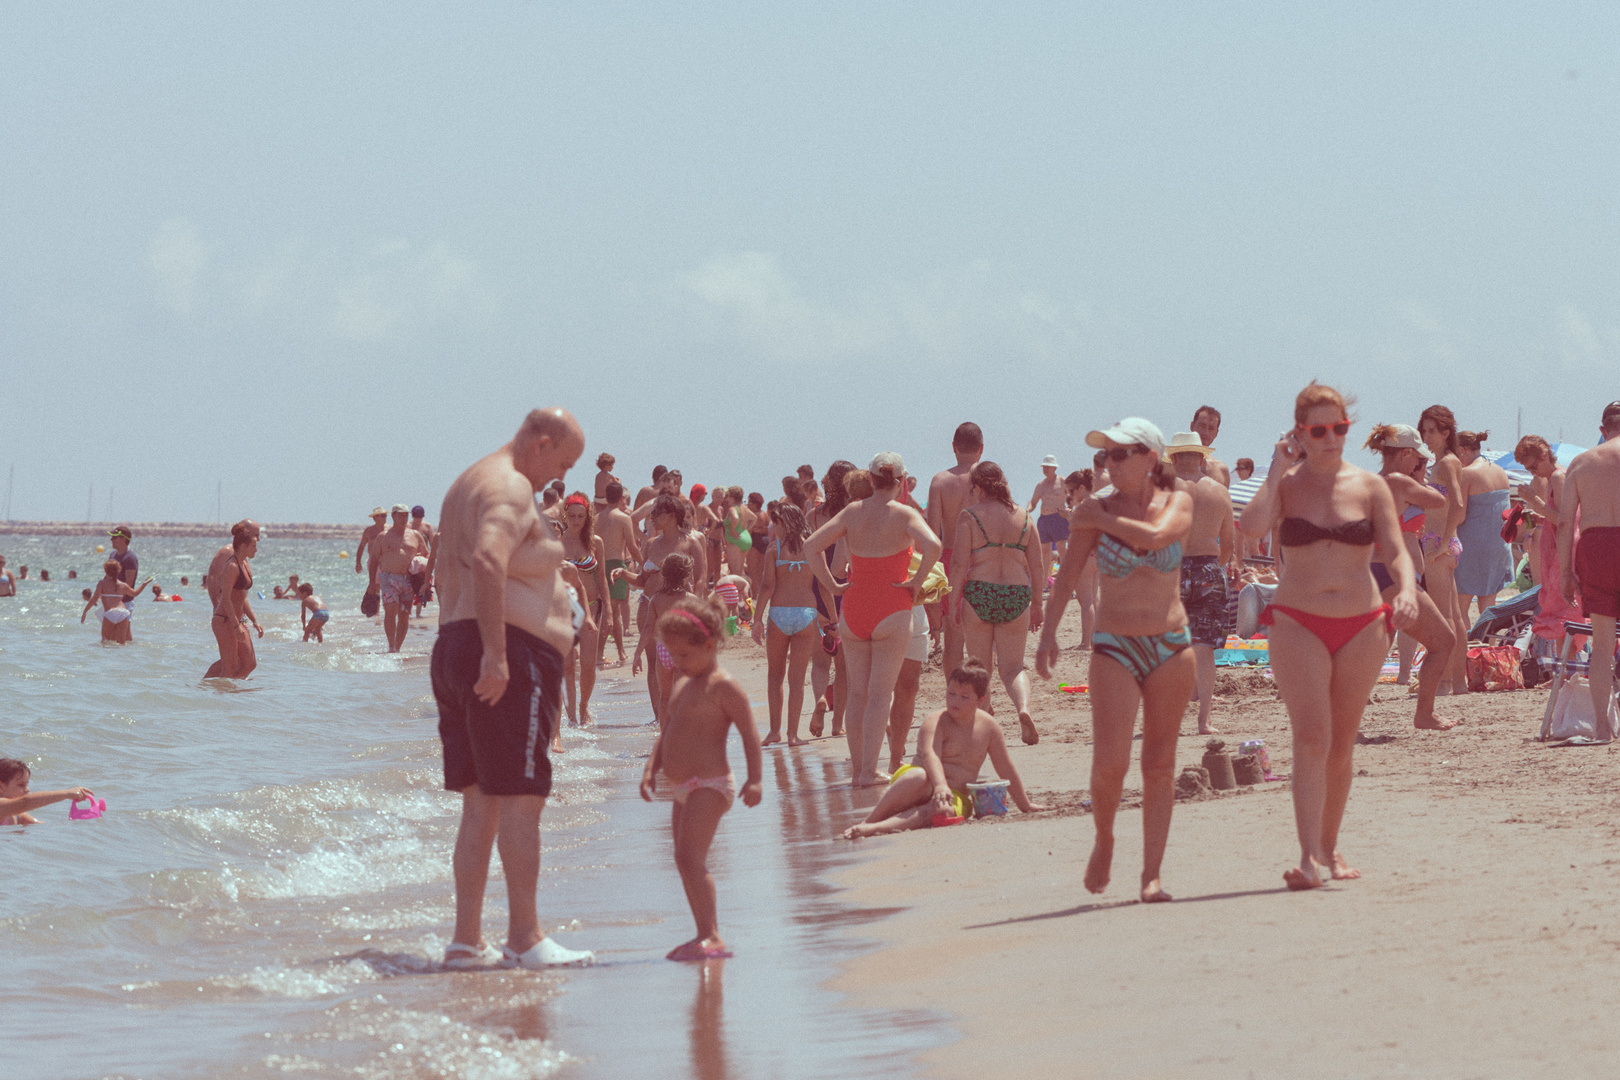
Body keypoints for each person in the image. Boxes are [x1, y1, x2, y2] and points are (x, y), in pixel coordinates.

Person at [431, 407, 594, 971]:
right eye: (563, 463)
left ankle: (465, 941)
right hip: (501, 654)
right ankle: (525, 937)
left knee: (481, 803)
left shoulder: (467, 483)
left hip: (453, 644)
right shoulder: (511, 485)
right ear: (540, 443)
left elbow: (461, 559)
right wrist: (499, 655)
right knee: (523, 801)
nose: (559, 478)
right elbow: (485, 559)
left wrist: (547, 556)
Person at [1241, 384, 1418, 890]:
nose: (1331, 438)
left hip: (1364, 622)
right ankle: (1307, 858)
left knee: (1342, 743)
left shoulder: (1370, 486)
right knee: (1311, 735)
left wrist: (1405, 589)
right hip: (1297, 619)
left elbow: (1398, 550)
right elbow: (1250, 526)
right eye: (1318, 431)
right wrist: (1277, 470)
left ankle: (1329, 843)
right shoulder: (1287, 486)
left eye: (1339, 428)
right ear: (1300, 433)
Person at [1037, 418, 1195, 903]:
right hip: (1115, 645)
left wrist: (1094, 517)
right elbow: (1066, 578)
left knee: (1159, 764)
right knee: (1110, 764)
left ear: (1150, 457)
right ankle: (1105, 839)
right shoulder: (1095, 510)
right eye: (1106, 454)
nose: (1110, 462)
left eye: (1121, 453)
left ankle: (1151, 874)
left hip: (1171, 644)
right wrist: (1047, 633)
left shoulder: (1178, 501)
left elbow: (1153, 537)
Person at [807, 452, 942, 787]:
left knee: (857, 695)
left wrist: (831, 584)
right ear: (899, 481)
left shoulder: (852, 512)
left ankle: (858, 771)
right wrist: (916, 580)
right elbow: (934, 545)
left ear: (869, 479)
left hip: (853, 607)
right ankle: (870, 770)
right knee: (881, 694)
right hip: (893, 607)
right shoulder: (904, 514)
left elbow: (812, 547)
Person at [640, 595, 763, 961]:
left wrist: (755, 779)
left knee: (692, 857)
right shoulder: (683, 685)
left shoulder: (722, 686)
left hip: (711, 786)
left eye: (684, 655)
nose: (677, 663)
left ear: (708, 645)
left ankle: (712, 934)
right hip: (681, 788)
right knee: (682, 857)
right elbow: (668, 731)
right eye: (672, 655)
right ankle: (701, 933)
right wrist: (651, 768)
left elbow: (749, 732)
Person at [842, 661, 1046, 838]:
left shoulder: (989, 727)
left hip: (956, 793)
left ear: (981, 700)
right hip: (923, 782)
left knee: (943, 812)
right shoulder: (936, 721)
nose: (955, 701)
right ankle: (868, 821)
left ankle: (876, 828)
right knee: (919, 777)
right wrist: (939, 785)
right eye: (951, 694)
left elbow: (1005, 767)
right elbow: (931, 755)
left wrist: (1024, 804)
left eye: (964, 697)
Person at [1366, 425, 1458, 730]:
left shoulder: (1374, 481)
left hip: (1377, 573)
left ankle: (1345, 722)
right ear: (1405, 454)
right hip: (1393, 574)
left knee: (1375, 650)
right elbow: (1440, 501)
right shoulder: (1398, 481)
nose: (1421, 464)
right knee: (1444, 641)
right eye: (1418, 459)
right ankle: (1424, 714)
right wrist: (1422, 477)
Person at [950, 461, 1045, 745]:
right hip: (1016, 595)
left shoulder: (969, 517)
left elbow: (958, 564)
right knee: (1013, 667)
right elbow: (1038, 565)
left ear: (978, 488)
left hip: (980, 592)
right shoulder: (1025, 517)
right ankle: (1024, 709)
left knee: (981, 668)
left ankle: (983, 729)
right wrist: (1038, 602)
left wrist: (953, 600)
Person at [1163, 432, 1236, 736]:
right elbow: (1229, 544)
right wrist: (1213, 569)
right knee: (1204, 649)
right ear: (1202, 458)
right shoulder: (1219, 492)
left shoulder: (1164, 491)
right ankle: (1204, 720)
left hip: (1174, 568)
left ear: (1175, 458)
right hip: (1209, 567)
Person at [1558, 401, 1620, 740]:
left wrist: (1565, 573)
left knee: (1602, 644)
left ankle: (1602, 728)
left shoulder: (1582, 462)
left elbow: (1566, 521)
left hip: (1595, 548)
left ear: (1602, 430)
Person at [754, 503, 820, 746]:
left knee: (775, 676)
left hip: (779, 613)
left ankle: (775, 731)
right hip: (805, 613)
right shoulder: (812, 547)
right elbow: (822, 584)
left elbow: (767, 587)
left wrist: (757, 619)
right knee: (797, 678)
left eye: (776, 523)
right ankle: (792, 735)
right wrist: (832, 618)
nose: (773, 528)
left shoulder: (774, 549)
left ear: (785, 523)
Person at [1418, 405, 1471, 695]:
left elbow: (1458, 504)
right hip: (1442, 542)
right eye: (1423, 430)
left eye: (1431, 431)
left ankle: (1447, 681)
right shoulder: (1443, 461)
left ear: (1445, 432)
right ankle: (1458, 682)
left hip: (1440, 543)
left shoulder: (1447, 462)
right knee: (1454, 616)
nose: (1426, 436)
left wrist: (1442, 541)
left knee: (1445, 617)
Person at [1514, 435, 1584, 650]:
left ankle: (1566, 673)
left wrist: (1534, 500)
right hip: (1561, 550)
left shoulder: (1557, 476)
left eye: (1533, 466)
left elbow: (1566, 521)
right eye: (1529, 469)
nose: (1533, 472)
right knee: (1564, 613)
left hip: (1564, 553)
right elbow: (1563, 518)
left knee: (1565, 613)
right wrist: (1542, 516)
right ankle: (1564, 675)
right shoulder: (1559, 475)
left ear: (1544, 455)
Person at [927, 423, 983, 678]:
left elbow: (931, 533)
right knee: (982, 634)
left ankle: (954, 694)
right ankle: (982, 700)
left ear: (953, 447)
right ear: (981, 449)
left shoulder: (940, 481)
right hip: (982, 558)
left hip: (949, 558)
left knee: (953, 635)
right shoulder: (988, 478)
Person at [807, 461, 854, 739]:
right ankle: (837, 726)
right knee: (844, 666)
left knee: (820, 660)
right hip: (843, 588)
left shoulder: (813, 515)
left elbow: (805, 554)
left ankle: (819, 701)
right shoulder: (853, 514)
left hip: (815, 587)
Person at [1453, 430, 1514, 619]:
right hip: (1498, 545)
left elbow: (1459, 516)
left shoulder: (1467, 473)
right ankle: (1488, 647)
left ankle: (1466, 648)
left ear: (1461, 450)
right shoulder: (1500, 471)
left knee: (1460, 605)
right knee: (1488, 606)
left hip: (1473, 547)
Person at [560, 493, 607, 725]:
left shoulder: (595, 542)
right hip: (565, 610)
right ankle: (569, 717)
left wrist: (608, 610)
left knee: (588, 666)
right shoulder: (558, 542)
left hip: (591, 607)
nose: (576, 520)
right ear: (565, 515)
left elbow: (602, 579)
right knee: (568, 665)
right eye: (572, 516)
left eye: (581, 516)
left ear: (587, 516)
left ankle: (583, 706)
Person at [369, 504, 428, 653]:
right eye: (400, 515)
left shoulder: (415, 535)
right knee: (390, 611)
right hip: (388, 579)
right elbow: (374, 559)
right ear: (393, 516)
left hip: (408, 580)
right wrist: (371, 583)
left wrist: (418, 563)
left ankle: (398, 648)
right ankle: (391, 646)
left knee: (404, 615)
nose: (404, 518)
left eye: (406, 515)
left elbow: (426, 554)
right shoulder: (383, 536)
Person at [207, 522, 262, 679]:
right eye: (255, 540)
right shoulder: (230, 563)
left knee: (249, 663)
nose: (257, 544)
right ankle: (219, 696)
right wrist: (233, 623)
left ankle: (230, 693)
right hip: (226, 619)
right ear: (244, 543)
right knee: (230, 665)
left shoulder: (244, 563)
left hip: (237, 619)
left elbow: (241, 596)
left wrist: (254, 620)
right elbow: (223, 593)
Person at [594, 481, 640, 667]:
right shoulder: (623, 518)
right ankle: (599, 653)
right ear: (622, 498)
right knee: (610, 611)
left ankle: (620, 652)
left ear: (605, 498)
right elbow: (631, 546)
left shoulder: (596, 518)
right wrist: (644, 562)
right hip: (615, 564)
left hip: (598, 565)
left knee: (613, 611)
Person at [0, 759, 95, 826]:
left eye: (27, 784)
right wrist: (66, 793)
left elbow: (43, 828)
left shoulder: (18, 816)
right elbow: (25, 802)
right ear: (1, 786)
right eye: (21, 785)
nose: (27, 789)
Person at [81, 558, 148, 642]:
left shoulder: (102, 583)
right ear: (118, 570)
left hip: (110, 613)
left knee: (105, 642)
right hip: (123, 613)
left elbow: (94, 599)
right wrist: (144, 584)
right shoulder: (123, 585)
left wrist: (85, 612)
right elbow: (135, 593)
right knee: (121, 644)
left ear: (105, 570)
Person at [1028, 454, 1068, 579]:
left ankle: (1067, 582)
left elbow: (1072, 497)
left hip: (1059, 518)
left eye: (1048, 466)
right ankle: (1044, 584)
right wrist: (1027, 510)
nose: (1045, 469)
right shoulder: (1040, 485)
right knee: (1044, 553)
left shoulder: (1062, 481)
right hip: (1044, 519)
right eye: (1044, 466)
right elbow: (1033, 502)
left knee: (1062, 550)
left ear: (1054, 468)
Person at [106, 526, 139, 639]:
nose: (111, 539)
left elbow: (128, 584)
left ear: (124, 539)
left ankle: (129, 654)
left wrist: (117, 600)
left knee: (125, 633)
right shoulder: (112, 555)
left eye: (114, 537)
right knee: (112, 634)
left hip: (125, 601)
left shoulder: (130, 558)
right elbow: (108, 577)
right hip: (112, 600)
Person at [1190, 406, 1231, 487]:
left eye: (1211, 428)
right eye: (1202, 426)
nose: (1206, 433)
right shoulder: (1171, 462)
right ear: (1192, 426)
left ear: (1216, 433)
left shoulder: (1221, 470)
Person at [409, 506, 437, 616]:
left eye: (420, 518)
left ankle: (418, 614)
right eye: (416, 518)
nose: (418, 520)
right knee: (410, 586)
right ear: (412, 516)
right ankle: (408, 613)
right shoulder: (408, 526)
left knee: (422, 587)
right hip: (411, 560)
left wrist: (431, 558)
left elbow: (433, 544)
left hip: (424, 560)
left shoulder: (427, 527)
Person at [355, 508, 388, 576]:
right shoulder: (369, 531)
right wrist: (358, 563)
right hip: (374, 563)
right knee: (375, 585)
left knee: (388, 585)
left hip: (388, 563)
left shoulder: (390, 529)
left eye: (385, 515)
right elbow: (361, 547)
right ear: (375, 518)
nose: (385, 517)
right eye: (382, 515)